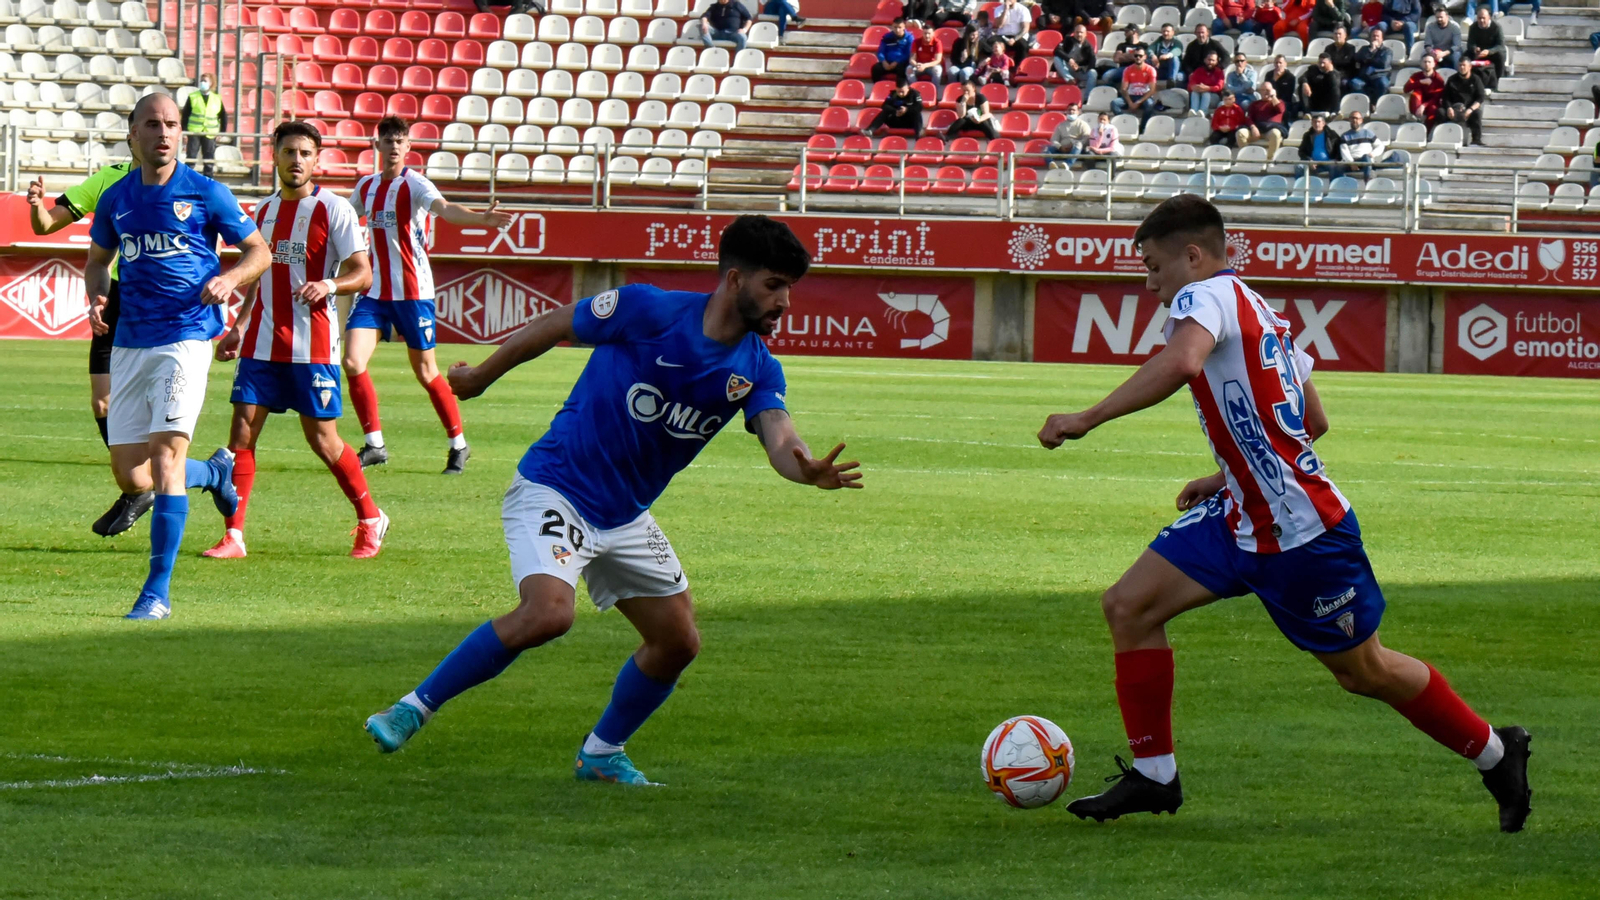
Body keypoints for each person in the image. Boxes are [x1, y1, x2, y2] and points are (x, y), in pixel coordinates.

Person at [1039, 193, 1532, 834]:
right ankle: (1155, 776)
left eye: (1155, 266)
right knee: (1128, 606)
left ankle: (1497, 752)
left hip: (1301, 532)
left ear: (1193, 256)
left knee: (1365, 672)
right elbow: (1313, 420)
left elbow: (1183, 360)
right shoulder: (1263, 312)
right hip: (1241, 514)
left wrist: (1085, 418)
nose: (1151, 282)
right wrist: (1227, 474)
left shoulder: (1205, 297)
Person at [361, 216, 864, 785]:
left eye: (790, 288)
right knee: (549, 614)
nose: (785, 301)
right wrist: (480, 375)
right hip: (557, 486)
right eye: (774, 285)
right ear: (733, 280)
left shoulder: (756, 367)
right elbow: (556, 324)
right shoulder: (650, 310)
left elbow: (779, 432)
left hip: (624, 515)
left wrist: (804, 467)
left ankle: (601, 752)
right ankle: (410, 708)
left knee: (678, 642)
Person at [85, 93, 271, 621]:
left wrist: (229, 278)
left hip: (186, 338)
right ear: (133, 133)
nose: (165, 132)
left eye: (172, 125)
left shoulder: (206, 192)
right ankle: (213, 473)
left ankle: (156, 593)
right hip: (129, 341)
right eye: (153, 124)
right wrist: (97, 295)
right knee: (131, 475)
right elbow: (98, 260)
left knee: (165, 459)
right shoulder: (116, 198)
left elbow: (258, 251)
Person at [203, 121, 386, 561]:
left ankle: (370, 517)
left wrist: (328, 284)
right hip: (262, 343)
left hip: (314, 345)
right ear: (275, 157)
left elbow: (364, 273)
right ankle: (235, 535)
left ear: (316, 160)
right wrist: (241, 325)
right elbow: (257, 273)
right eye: (289, 152)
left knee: (324, 441)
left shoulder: (335, 210)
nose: (297, 160)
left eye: (305, 153)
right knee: (241, 435)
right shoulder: (262, 212)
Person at [344, 117, 514, 475]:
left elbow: (445, 209)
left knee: (426, 372)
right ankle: (375, 444)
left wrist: (481, 219)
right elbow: (343, 220)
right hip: (374, 292)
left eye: (399, 141)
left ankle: (459, 445)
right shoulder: (366, 187)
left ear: (408, 147)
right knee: (353, 362)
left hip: (413, 293)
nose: (393, 146)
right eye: (387, 140)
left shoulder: (416, 184)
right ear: (377, 146)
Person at [27, 157, 152, 537]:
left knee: (157, 409)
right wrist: (36, 206)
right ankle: (137, 486)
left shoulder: (172, 181)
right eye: (146, 126)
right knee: (102, 402)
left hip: (153, 299)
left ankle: (173, 479)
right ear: (132, 135)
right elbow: (47, 226)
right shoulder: (109, 179)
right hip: (113, 298)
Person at [181, 74, 226, 178]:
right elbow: (185, 115)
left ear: (211, 83)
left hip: (210, 133)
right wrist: (184, 132)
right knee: (191, 158)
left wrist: (222, 132)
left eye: (205, 81)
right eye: (201, 81)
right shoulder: (193, 97)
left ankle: (208, 182)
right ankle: (186, 180)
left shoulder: (217, 98)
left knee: (209, 160)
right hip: (194, 132)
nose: (202, 83)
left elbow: (223, 116)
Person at [1110, 47, 1160, 122]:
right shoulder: (1127, 70)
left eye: (1140, 56)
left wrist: (1139, 102)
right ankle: (1124, 121)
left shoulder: (1150, 70)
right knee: (1114, 103)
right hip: (1131, 96)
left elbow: (1152, 90)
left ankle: (1143, 127)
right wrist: (1130, 103)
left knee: (1150, 104)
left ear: (1145, 57)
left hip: (1144, 97)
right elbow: (1123, 89)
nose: (1138, 57)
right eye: (1136, 55)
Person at [1465, 6, 1506, 92]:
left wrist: (1489, 51)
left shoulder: (1497, 27)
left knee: (1500, 55)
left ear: (1489, 17)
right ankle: (1466, 81)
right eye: (1479, 18)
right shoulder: (1473, 27)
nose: (1481, 21)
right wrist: (1474, 49)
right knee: (1465, 56)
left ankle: (1499, 81)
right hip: (1479, 53)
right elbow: (1470, 43)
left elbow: (1500, 45)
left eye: (1484, 18)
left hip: (1492, 53)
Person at [1442, 66, 1486, 146]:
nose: (1462, 67)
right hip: (1453, 109)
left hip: (1469, 109)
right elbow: (1446, 97)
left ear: (1469, 67)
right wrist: (1449, 108)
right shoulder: (1452, 79)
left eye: (1464, 65)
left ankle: (1476, 140)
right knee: (1440, 112)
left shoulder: (1476, 79)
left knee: (1477, 113)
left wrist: (1470, 109)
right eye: (1460, 65)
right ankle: (1440, 137)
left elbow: (1480, 98)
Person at [1339, 110, 1387, 179]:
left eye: (1357, 118)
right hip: (1353, 161)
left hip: (1366, 160)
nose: (1354, 120)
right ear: (1349, 120)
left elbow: (1380, 146)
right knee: (1336, 168)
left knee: (1366, 158)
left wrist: (1373, 154)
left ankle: (1368, 182)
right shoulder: (1345, 136)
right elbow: (1344, 152)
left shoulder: (1368, 133)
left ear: (1361, 120)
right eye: (1352, 118)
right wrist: (1351, 163)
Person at [1350, 29, 1394, 102]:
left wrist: (1367, 59)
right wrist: (1371, 51)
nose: (1375, 38)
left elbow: (1383, 63)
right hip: (1364, 77)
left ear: (1382, 39)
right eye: (1373, 36)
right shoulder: (1364, 49)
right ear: (1370, 38)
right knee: (1354, 83)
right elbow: (1357, 58)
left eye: (1378, 36)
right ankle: (1366, 103)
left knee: (1383, 84)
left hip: (1380, 76)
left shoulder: (1387, 51)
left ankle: (1376, 104)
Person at [1245, 81, 1288, 155]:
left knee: (1276, 133)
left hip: (1270, 130)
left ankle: (1270, 160)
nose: (1265, 92)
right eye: (1263, 90)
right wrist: (1253, 127)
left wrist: (1273, 96)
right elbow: (1248, 118)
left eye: (1267, 90)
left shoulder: (1279, 102)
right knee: (1240, 133)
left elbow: (1280, 109)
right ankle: (1246, 156)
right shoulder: (1255, 104)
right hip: (1256, 129)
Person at [1053, 23, 1099, 93]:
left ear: (1085, 34)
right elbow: (1056, 50)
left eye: (1081, 32)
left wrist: (1079, 68)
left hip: (1079, 71)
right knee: (1056, 58)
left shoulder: (1088, 47)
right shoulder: (1068, 40)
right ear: (1074, 33)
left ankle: (1087, 98)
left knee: (1093, 73)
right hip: (1066, 69)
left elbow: (1092, 64)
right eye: (1077, 32)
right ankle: (1069, 79)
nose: (1079, 34)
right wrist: (1069, 59)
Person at [1297, 111, 1344, 176]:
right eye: (1314, 122)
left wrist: (1336, 159)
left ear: (1323, 123)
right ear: (1312, 123)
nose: (1316, 124)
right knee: (1299, 167)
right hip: (1312, 163)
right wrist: (1309, 160)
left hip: (1329, 162)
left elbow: (1339, 148)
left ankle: (1333, 185)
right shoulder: (1307, 136)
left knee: (1335, 166)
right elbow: (1301, 152)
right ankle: (1300, 186)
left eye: (1318, 122)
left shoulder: (1331, 134)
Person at [1046, 101, 1093, 167]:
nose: (1071, 111)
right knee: (1046, 148)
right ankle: (1051, 164)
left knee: (1078, 144)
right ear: (1066, 111)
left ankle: (1067, 164)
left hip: (1076, 149)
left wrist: (1073, 146)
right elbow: (1054, 140)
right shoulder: (1061, 125)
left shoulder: (1083, 124)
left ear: (1078, 112)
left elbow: (1086, 138)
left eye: (1073, 110)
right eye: (1069, 110)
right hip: (1062, 149)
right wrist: (1060, 147)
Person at [1406, 53, 1447, 121]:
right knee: (1416, 92)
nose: (1427, 64)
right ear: (1421, 63)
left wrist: (1423, 106)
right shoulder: (1416, 76)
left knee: (1433, 108)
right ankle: (1416, 117)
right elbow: (1406, 89)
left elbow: (1437, 98)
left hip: (1431, 104)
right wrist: (1420, 82)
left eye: (1429, 62)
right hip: (1417, 104)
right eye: (1425, 62)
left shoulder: (1438, 79)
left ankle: (1426, 129)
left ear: (1434, 64)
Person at [1299, 52, 1342, 118]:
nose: (1321, 65)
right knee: (1301, 87)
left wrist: (1330, 73)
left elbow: (1335, 85)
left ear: (1330, 63)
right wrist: (1305, 83)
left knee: (1335, 89)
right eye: (1320, 62)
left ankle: (1334, 113)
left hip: (1326, 101)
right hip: (1314, 98)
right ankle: (1307, 112)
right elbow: (1302, 77)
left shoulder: (1335, 73)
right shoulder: (1313, 69)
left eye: (1324, 63)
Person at [872, 17, 915, 82]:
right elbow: (881, 51)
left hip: (901, 63)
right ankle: (878, 87)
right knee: (876, 68)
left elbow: (908, 53)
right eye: (895, 27)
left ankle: (900, 88)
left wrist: (896, 62)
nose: (897, 30)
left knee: (903, 70)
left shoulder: (909, 38)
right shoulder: (887, 37)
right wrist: (884, 62)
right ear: (892, 26)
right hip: (887, 62)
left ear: (904, 27)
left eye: (899, 27)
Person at [992, 0, 1033, 65]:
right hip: (1003, 36)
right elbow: (999, 25)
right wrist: (1005, 10)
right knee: (990, 42)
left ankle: (1019, 67)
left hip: (1017, 36)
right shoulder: (998, 9)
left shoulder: (1023, 10)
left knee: (1023, 46)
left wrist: (1014, 39)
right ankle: (994, 65)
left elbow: (1025, 29)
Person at [1265, 54, 1300, 119]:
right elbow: (1265, 89)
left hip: (1284, 102)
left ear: (1285, 64)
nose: (1278, 65)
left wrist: (1276, 101)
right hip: (1270, 101)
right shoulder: (1269, 75)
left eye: (1280, 63)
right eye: (1276, 62)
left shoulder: (1290, 77)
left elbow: (1288, 94)